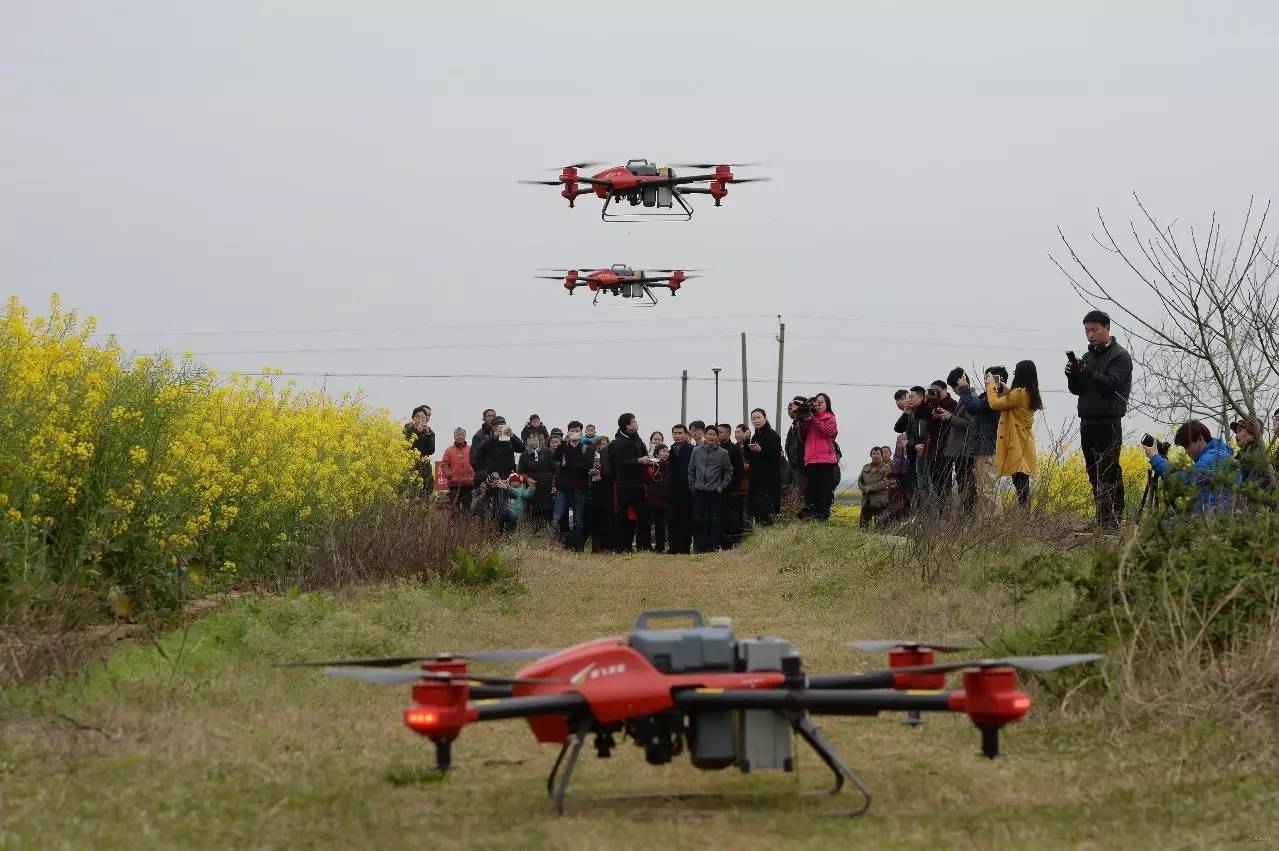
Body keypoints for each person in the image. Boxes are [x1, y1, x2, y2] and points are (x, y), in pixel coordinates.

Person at [1066, 310, 1134, 530]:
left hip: (1108, 422)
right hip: (1087, 421)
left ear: (1107, 328)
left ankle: (1113, 522)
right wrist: (1073, 375)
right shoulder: (1089, 355)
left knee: (1109, 472)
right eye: (1087, 330)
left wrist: (1086, 372)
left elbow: (1109, 385)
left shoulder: (1120, 356)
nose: (1090, 335)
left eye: (1094, 330)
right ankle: (1101, 520)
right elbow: (1078, 390)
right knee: (1094, 473)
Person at [1145, 420, 1236, 513]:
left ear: (1200, 439)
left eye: (1187, 446)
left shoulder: (1214, 457)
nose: (1186, 451)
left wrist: (1155, 458)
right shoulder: (1218, 454)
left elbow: (1182, 480)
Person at [987, 360, 1042, 509]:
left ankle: (1024, 514)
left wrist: (991, 385)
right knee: (1022, 479)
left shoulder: (1019, 394)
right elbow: (1014, 399)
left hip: (1016, 442)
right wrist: (1006, 388)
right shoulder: (1030, 393)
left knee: (1019, 480)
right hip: (1024, 441)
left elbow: (994, 404)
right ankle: (1025, 513)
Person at [955, 367, 1004, 519]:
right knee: (983, 488)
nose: (986, 381)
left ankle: (995, 522)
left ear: (998, 380)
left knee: (988, 488)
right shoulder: (989, 396)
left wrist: (964, 389)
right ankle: (986, 521)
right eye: (985, 378)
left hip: (986, 447)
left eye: (989, 377)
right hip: (981, 447)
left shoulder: (996, 397)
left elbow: (972, 407)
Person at [608, 413, 656, 553]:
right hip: (623, 485)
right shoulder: (617, 443)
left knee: (644, 517)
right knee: (622, 517)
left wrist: (648, 460)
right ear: (628, 425)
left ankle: (644, 547)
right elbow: (619, 463)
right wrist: (638, 461)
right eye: (634, 421)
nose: (636, 423)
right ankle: (620, 547)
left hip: (639, 484)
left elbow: (642, 455)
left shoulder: (637, 439)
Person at [688, 425, 733, 552]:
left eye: (714, 435)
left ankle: (714, 546)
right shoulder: (696, 451)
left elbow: (729, 471)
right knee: (698, 519)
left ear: (717, 437)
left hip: (714, 492)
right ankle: (698, 547)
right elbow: (691, 469)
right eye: (709, 434)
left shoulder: (723, 453)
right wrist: (692, 485)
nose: (711, 437)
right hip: (698, 491)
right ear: (705, 435)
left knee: (714, 520)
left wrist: (721, 487)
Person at [938, 368, 978, 509]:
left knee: (967, 484)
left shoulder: (971, 398)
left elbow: (972, 425)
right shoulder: (964, 399)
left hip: (965, 450)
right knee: (963, 484)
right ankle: (966, 513)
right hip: (959, 450)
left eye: (954, 387)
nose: (954, 391)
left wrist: (951, 418)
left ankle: (969, 513)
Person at [796, 393, 839, 521]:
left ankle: (823, 516)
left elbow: (827, 433)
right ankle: (812, 515)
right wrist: (800, 422)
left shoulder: (830, 418)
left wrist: (812, 420)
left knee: (824, 490)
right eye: (816, 402)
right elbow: (800, 437)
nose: (818, 405)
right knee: (811, 490)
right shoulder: (809, 418)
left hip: (825, 460)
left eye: (822, 402)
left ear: (827, 404)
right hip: (810, 459)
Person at [552, 421, 594, 550]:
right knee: (557, 518)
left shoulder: (586, 448)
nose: (575, 433)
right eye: (572, 430)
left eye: (577, 430)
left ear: (581, 433)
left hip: (579, 488)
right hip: (563, 489)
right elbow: (556, 457)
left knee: (578, 521)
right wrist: (564, 442)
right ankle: (555, 544)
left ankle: (578, 547)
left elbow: (587, 465)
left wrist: (568, 464)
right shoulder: (564, 446)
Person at [925, 380, 959, 506]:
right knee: (935, 483)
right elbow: (923, 418)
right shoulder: (929, 404)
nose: (935, 392)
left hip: (946, 448)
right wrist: (928, 400)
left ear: (945, 389)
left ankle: (947, 509)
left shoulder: (952, 403)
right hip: (932, 449)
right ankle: (942, 510)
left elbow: (952, 421)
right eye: (932, 390)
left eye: (937, 390)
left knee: (945, 482)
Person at [746, 408, 782, 525]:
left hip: (769, 480)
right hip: (756, 479)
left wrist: (761, 449)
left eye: (758, 418)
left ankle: (770, 536)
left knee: (767, 511)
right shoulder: (755, 436)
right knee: (757, 511)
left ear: (765, 419)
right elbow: (748, 457)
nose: (756, 421)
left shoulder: (773, 435)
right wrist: (746, 441)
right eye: (753, 419)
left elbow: (776, 457)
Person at [517, 433, 555, 529]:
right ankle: (534, 540)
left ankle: (546, 538)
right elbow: (520, 473)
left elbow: (555, 471)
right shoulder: (523, 456)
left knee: (547, 515)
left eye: (534, 438)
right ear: (526, 441)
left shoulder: (548, 452)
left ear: (538, 440)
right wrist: (526, 479)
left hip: (546, 488)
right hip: (531, 490)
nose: (532, 440)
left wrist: (554, 485)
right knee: (532, 516)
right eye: (529, 438)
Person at [667, 424, 695, 554]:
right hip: (672, 491)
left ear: (686, 434)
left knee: (686, 520)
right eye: (675, 433)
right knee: (672, 519)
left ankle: (684, 548)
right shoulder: (671, 450)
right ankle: (673, 547)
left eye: (680, 433)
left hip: (687, 490)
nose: (677, 436)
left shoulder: (691, 450)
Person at [716, 424, 745, 548]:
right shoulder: (714, 448)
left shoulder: (734, 449)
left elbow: (739, 471)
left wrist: (730, 486)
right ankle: (720, 544)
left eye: (720, 432)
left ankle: (732, 544)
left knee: (731, 519)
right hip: (715, 489)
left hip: (730, 490)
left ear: (728, 434)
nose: (717, 435)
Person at [1231, 418, 1273, 495]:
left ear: (1252, 434)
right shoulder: (1245, 453)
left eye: (1239, 431)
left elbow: (1251, 487)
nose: (1236, 436)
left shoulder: (1255, 455)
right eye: (1236, 432)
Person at [437, 427, 475, 509]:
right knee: (454, 509)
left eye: (462, 434)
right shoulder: (449, 450)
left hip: (468, 484)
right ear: (454, 437)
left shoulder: (471, 449)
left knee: (467, 509)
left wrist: (474, 474)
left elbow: (476, 463)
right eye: (458, 435)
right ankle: (455, 522)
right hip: (454, 484)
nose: (460, 436)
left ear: (465, 436)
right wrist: (449, 475)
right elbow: (444, 464)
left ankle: (467, 522)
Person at [588, 434, 613, 553]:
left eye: (605, 444)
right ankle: (595, 547)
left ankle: (606, 546)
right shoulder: (591, 456)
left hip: (607, 488)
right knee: (595, 519)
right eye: (600, 444)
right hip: (594, 489)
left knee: (606, 518)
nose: (602, 446)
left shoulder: (611, 457)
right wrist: (591, 471)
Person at [403, 405, 436, 496]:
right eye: (419, 417)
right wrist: (417, 432)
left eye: (428, 416)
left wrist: (427, 435)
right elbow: (407, 446)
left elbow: (431, 450)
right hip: (409, 467)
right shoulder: (408, 429)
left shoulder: (429, 432)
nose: (427, 418)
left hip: (424, 468)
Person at [644, 444, 670, 552]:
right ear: (656, 453)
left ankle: (660, 547)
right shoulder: (651, 465)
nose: (665, 453)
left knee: (661, 525)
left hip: (664, 500)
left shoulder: (669, 466)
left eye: (667, 451)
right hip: (651, 498)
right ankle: (647, 546)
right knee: (647, 525)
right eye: (662, 451)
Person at [858, 446, 891, 528]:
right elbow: (860, 481)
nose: (875, 455)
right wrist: (864, 488)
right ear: (871, 455)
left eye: (878, 454)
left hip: (880, 501)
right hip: (866, 499)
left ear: (881, 455)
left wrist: (870, 488)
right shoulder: (865, 467)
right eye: (874, 454)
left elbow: (886, 482)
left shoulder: (887, 468)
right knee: (863, 525)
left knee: (881, 526)